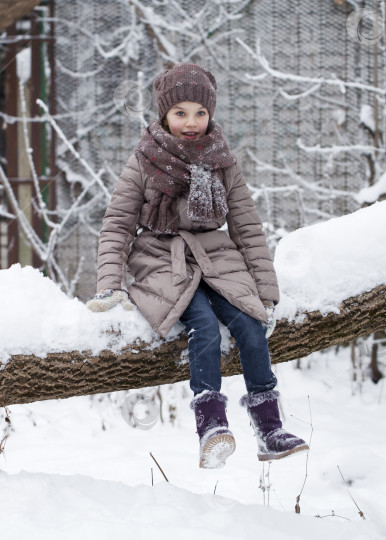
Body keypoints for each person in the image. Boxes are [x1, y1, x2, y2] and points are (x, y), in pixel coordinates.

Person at [86, 63, 308, 469]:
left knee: (250, 325)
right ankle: (211, 427)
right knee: (203, 327)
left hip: (216, 256)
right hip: (161, 257)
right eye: (181, 113)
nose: (191, 122)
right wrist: (110, 284)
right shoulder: (144, 160)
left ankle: (270, 429)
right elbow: (117, 223)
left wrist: (266, 291)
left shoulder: (222, 161)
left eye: (200, 113)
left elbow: (246, 225)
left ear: (211, 114)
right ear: (164, 115)